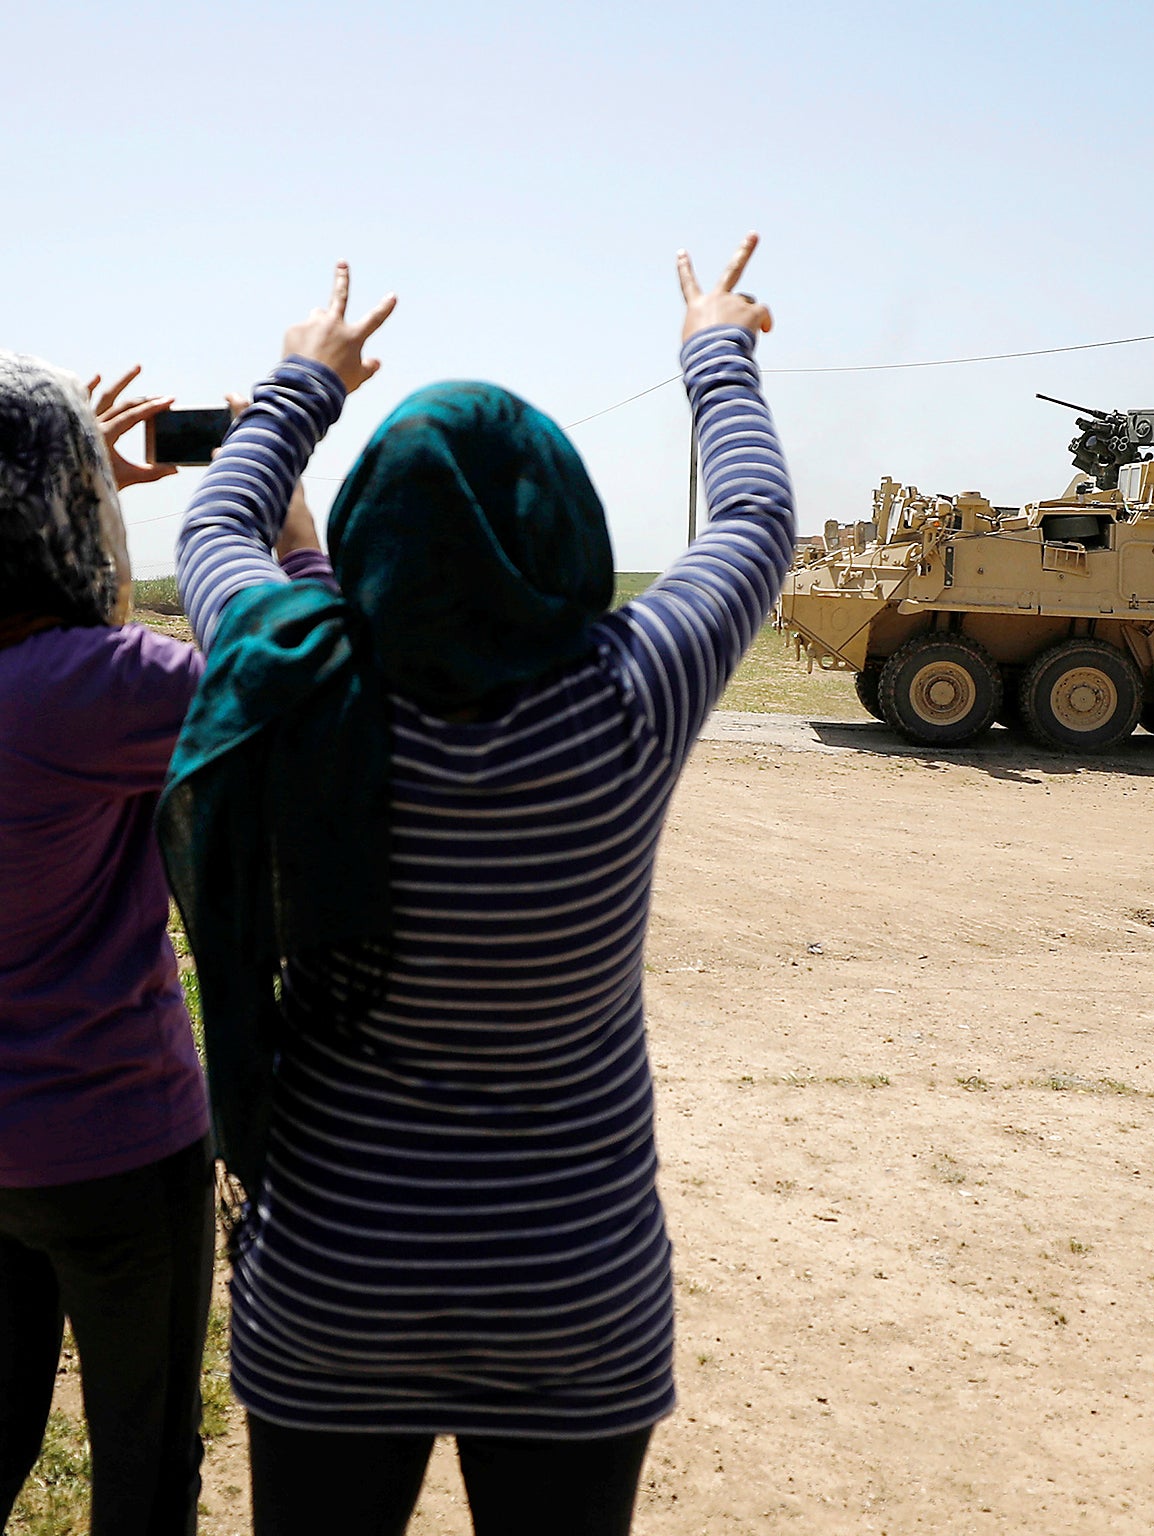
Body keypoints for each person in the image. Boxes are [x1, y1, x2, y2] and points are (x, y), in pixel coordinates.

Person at [160, 239, 792, 1536]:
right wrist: (712, 342)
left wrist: (302, 382)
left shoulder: (299, 682)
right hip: (574, 1300)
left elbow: (215, 526)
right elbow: (754, 523)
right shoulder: (629, 701)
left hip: (333, 1289)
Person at [1, 360, 264, 1536]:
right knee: (145, 1465)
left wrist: (50, 489)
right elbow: (281, 678)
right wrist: (263, 483)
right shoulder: (96, 687)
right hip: (114, 1138)